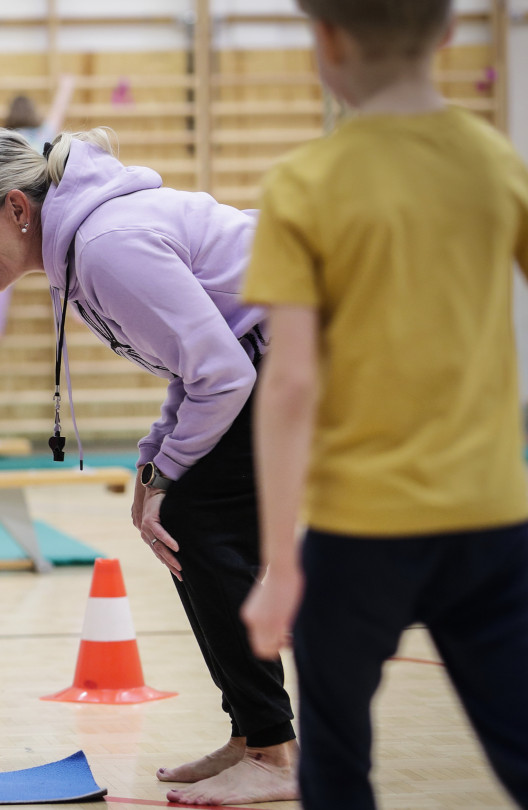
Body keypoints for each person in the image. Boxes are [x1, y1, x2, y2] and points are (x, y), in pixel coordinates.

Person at [0, 128, 295, 806]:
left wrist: (165, 478)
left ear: (16, 208)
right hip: (270, 354)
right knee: (191, 526)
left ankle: (274, 752)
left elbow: (223, 373)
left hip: (311, 348)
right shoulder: (89, 244)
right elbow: (201, 365)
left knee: (200, 531)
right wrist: (153, 464)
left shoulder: (106, 246)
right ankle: (254, 735)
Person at [240, 1, 528, 807]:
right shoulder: (493, 160)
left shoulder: (305, 185)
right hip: (490, 519)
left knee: (336, 762)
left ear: (324, 39)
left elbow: (291, 383)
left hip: (361, 531)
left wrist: (281, 564)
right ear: (445, 34)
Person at [0, 79, 75, 344]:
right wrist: (67, 85)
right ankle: (81, 313)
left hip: (12, 215)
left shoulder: (5, 140)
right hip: (43, 214)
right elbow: (59, 110)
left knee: (2, 268)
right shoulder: (43, 134)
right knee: (58, 264)